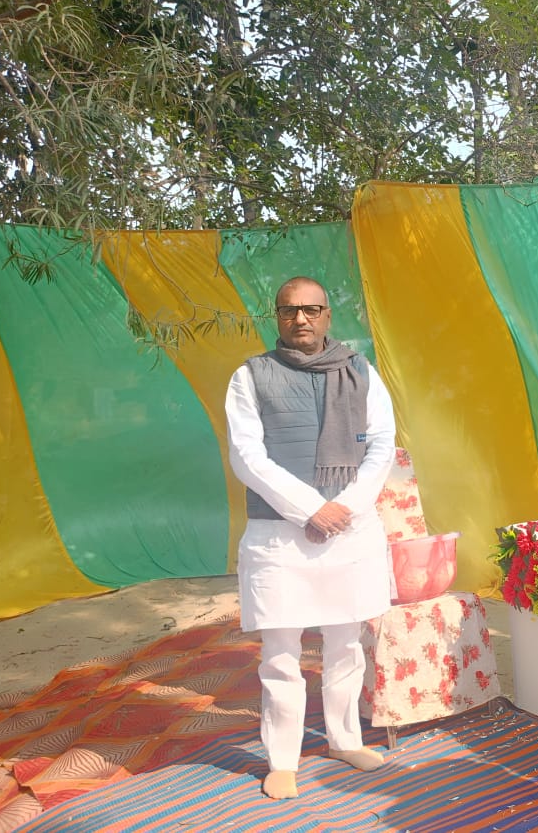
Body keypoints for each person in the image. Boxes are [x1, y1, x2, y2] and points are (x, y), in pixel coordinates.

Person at [225, 276, 396, 800]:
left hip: (349, 529)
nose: (301, 318)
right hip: (281, 535)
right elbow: (247, 457)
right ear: (277, 316)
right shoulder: (250, 376)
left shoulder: (360, 371)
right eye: (289, 310)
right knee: (280, 653)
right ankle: (282, 760)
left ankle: (345, 740)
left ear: (327, 315)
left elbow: (382, 445)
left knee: (346, 645)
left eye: (312, 309)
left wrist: (344, 507)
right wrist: (310, 509)